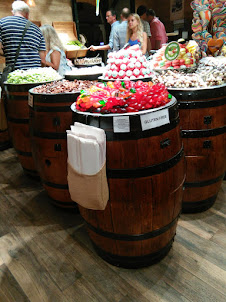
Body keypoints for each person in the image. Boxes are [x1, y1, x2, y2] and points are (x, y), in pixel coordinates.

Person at [0, 1, 46, 69]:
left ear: (13, 12)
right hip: (35, 73)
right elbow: (42, 60)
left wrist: (9, 53)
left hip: (15, 73)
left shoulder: (2, 23)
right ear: (27, 14)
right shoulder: (37, 29)